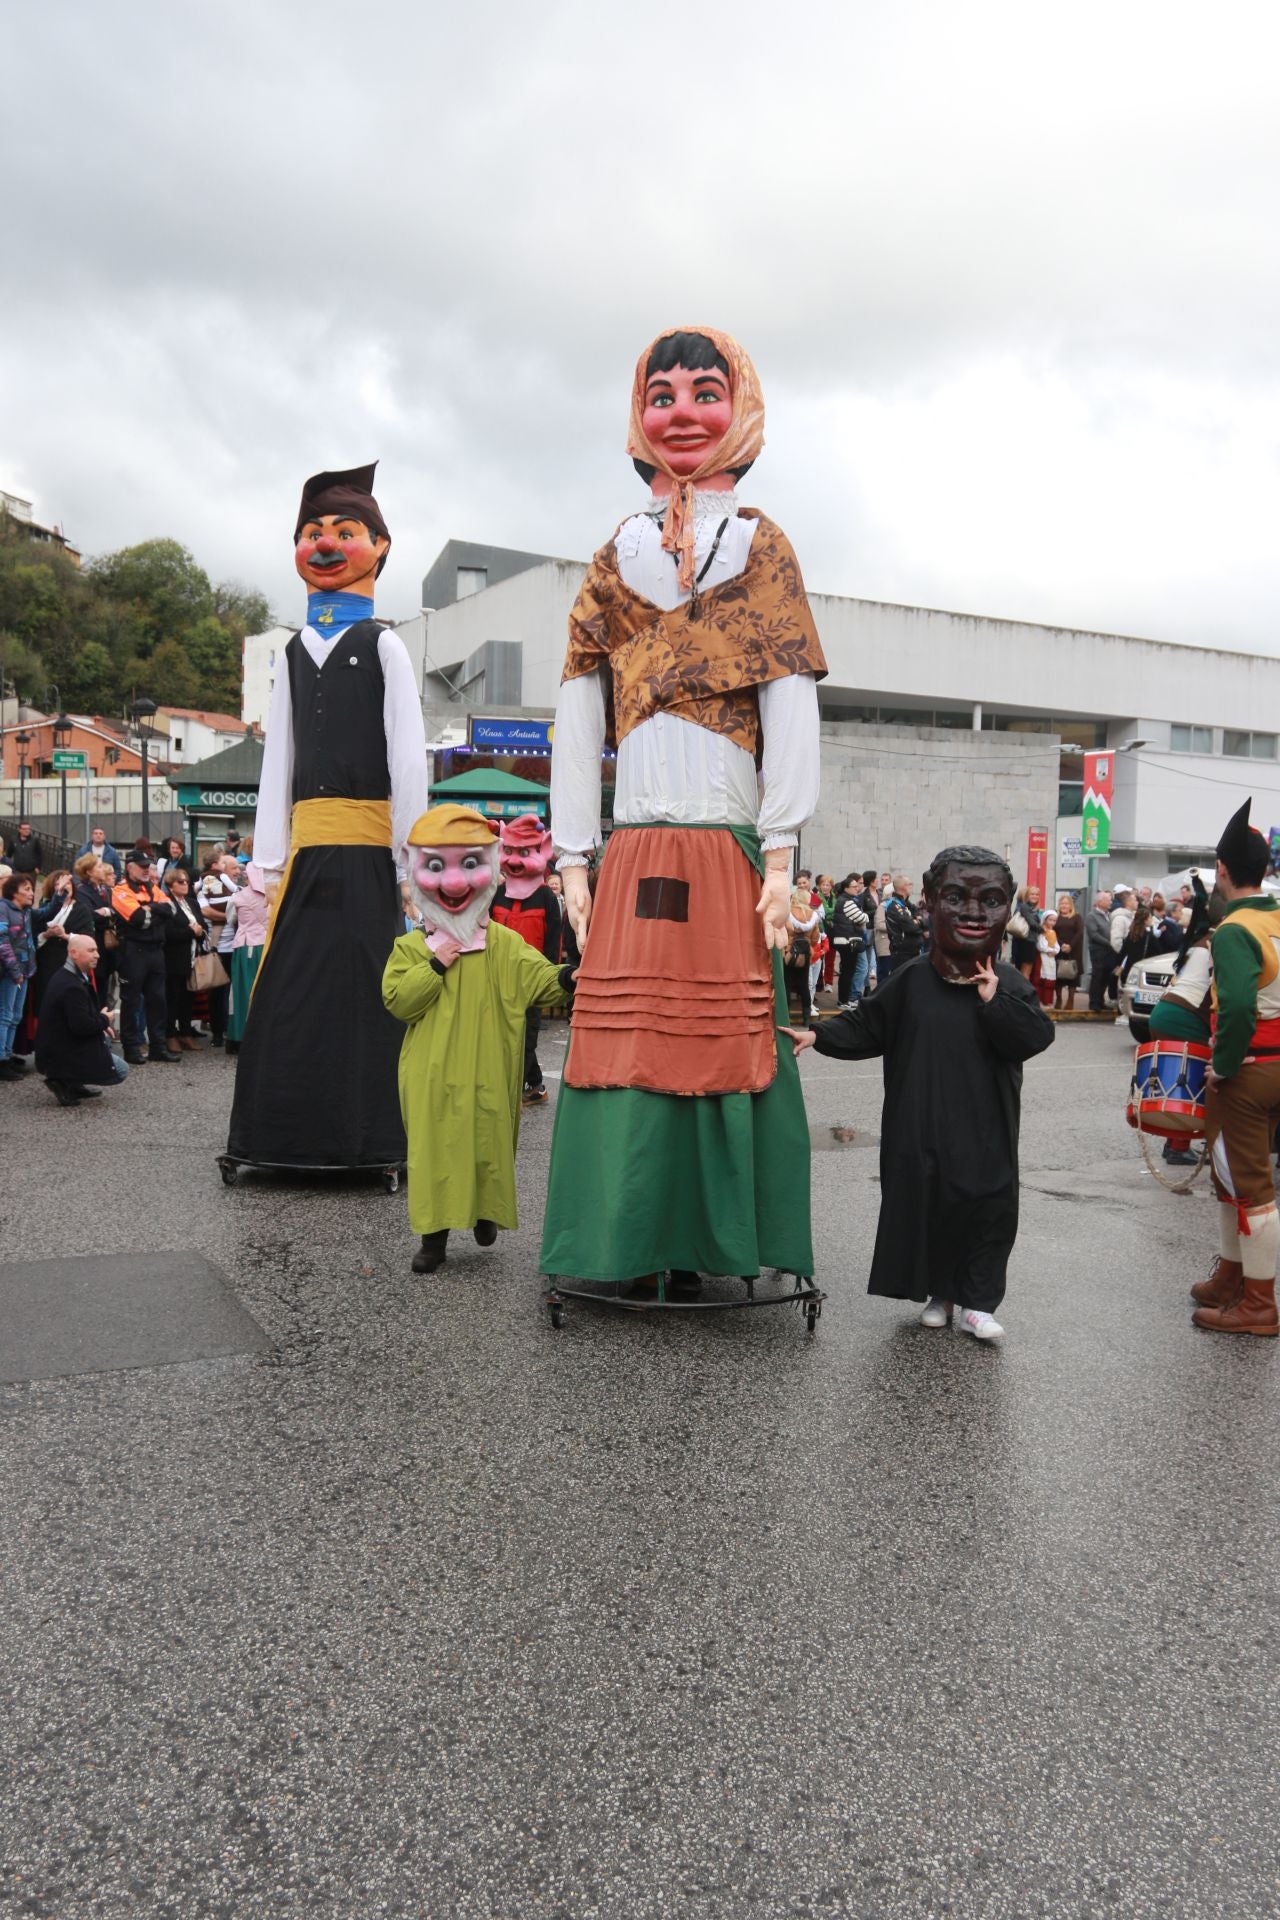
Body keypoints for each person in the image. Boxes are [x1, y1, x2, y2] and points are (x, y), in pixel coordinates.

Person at [542, 325, 826, 1295]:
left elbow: (790, 698)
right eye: (660, 395)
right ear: (639, 414)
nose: (681, 412)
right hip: (633, 846)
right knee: (623, 1038)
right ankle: (620, 1245)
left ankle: (706, 1246)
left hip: (726, 847)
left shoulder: (762, 544)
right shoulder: (612, 556)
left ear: (736, 406)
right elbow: (577, 707)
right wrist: (572, 853)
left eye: (703, 391)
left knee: (718, 1042)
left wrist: (780, 854)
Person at [227, 464, 428, 1174]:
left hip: (371, 858)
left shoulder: (385, 643)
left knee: (370, 996)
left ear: (380, 546)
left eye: (345, 533)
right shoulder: (289, 650)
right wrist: (267, 869)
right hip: (309, 857)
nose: (325, 545)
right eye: (311, 533)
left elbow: (409, 761)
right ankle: (277, 1138)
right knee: (289, 994)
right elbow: (276, 763)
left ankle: (370, 1142)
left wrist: (415, 864)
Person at [786, 845, 1054, 1340]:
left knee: (985, 1204)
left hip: (985, 1128)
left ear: (1008, 907)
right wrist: (817, 1035)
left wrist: (995, 1001)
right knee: (928, 1203)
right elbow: (868, 1025)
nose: (974, 913)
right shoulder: (912, 981)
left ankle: (977, 1301)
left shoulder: (1010, 983)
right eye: (956, 897)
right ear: (929, 902)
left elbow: (1036, 1037)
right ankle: (941, 1294)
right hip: (921, 1124)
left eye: (990, 900)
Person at [383, 806, 576, 1274]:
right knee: (435, 1151)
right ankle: (434, 1238)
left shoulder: (504, 945)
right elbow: (396, 1000)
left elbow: (544, 980)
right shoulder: (410, 948)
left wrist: (575, 976)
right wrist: (435, 963)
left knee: (488, 1143)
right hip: (432, 1074)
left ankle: (486, 1212)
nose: (453, 884)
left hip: (490, 1068)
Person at [1191, 801, 1280, 1336]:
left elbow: (1240, 1006)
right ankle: (1232, 1277)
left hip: (1248, 1072)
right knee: (1230, 1178)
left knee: (1250, 1187)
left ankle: (1260, 1304)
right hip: (1278, 1064)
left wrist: (1223, 1065)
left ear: (1223, 871)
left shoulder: (1232, 929)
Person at [489, 813, 560, 1105]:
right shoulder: (497, 894)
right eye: (510, 852)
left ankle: (520, 1087)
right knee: (499, 1035)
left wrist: (551, 979)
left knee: (525, 1036)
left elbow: (554, 942)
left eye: (524, 853)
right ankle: (534, 1084)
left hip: (529, 980)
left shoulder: (546, 898)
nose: (516, 861)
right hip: (496, 978)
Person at [1148, 873, 1215, 1168]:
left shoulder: (1200, 939)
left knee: (1181, 1078)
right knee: (1213, 1076)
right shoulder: (1222, 939)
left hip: (1166, 1010)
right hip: (1183, 1014)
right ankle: (1185, 1146)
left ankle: (1174, 1143)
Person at [35, 933, 128, 1106]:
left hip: (57, 1049)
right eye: (91, 950)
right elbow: (82, 1027)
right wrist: (104, 1020)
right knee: (121, 1070)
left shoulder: (67, 975)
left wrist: (100, 1022)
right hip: (58, 1054)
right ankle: (63, 1080)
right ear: (74, 953)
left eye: (97, 950)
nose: (97, 955)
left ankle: (73, 1082)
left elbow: (79, 1018)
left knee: (104, 1040)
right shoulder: (71, 985)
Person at [111, 848, 175, 1065]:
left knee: (158, 1000)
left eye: (149, 866)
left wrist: (151, 910)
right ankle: (131, 1048)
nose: (147, 870)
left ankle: (158, 1047)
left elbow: (171, 910)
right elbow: (139, 919)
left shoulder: (153, 888)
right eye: (143, 866)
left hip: (155, 950)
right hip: (132, 951)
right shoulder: (120, 890)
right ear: (130, 868)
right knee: (131, 1001)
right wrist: (156, 912)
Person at [161, 865, 209, 1052]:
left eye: (187, 881)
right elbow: (167, 932)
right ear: (171, 885)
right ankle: (170, 1035)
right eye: (180, 882)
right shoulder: (167, 904)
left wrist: (199, 932)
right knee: (172, 998)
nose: (185, 884)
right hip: (173, 959)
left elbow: (203, 925)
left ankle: (186, 1033)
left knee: (188, 999)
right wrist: (190, 931)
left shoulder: (192, 902)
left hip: (192, 958)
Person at [226, 861, 270, 1054]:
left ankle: (239, 1036)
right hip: (267, 947)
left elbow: (230, 920)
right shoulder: (273, 898)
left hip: (245, 948)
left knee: (241, 992)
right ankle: (262, 1036)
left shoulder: (237, 897)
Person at [0, 872, 38, 1078]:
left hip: (24, 969)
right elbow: (2, 941)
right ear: (14, 892)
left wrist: (60, 896)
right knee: (5, 1015)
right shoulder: (3, 908)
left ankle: (7, 1054)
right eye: (27, 889)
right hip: (10, 971)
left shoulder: (25, 911)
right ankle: (1, 1060)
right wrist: (15, 971)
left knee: (15, 1016)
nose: (31, 893)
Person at [784, 885, 822, 1029]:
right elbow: (816, 936)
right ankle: (806, 1017)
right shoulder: (812, 915)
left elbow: (783, 931)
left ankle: (785, 1016)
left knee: (786, 984)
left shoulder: (788, 913)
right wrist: (809, 943)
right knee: (804, 984)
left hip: (788, 951)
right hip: (805, 952)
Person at [832, 874, 870, 1009]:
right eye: (854, 886)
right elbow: (863, 917)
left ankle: (844, 1000)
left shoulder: (843, 900)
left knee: (847, 971)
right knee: (848, 972)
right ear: (846, 888)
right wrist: (864, 916)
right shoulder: (847, 902)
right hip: (848, 941)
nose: (857, 888)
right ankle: (843, 1001)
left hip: (845, 940)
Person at [1086, 889, 1117, 1010]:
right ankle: (1093, 1002)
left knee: (1106, 976)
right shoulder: (1092, 916)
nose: (1111, 903)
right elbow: (1093, 934)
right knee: (1097, 975)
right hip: (1098, 951)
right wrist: (1110, 943)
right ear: (1100, 902)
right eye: (1108, 900)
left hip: (1109, 951)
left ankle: (1100, 1000)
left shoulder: (1109, 915)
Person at [885, 875, 923, 971]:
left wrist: (918, 921)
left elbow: (923, 919)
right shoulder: (894, 905)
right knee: (901, 982)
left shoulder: (906, 903)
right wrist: (916, 922)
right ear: (904, 887)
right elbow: (911, 927)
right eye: (910, 884)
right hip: (902, 952)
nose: (912, 886)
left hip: (913, 950)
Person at [1053, 893, 1084, 1010]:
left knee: (1073, 977)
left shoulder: (1077, 917)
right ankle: (1059, 998)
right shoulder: (1055, 917)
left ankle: (1070, 1000)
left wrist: (1070, 945)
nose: (1064, 905)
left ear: (1070, 905)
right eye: (1062, 903)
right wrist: (1061, 945)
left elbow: (1080, 932)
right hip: (1059, 950)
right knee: (1058, 976)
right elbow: (1052, 932)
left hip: (1074, 950)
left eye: (1066, 903)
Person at [1009, 883, 1042, 980]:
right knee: (1025, 973)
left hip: (1026, 942)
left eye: (1037, 894)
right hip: (1026, 943)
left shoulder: (1031, 908)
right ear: (1027, 895)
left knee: (1023, 972)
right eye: (1032, 894)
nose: (1035, 896)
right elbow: (1032, 924)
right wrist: (1044, 930)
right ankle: (1023, 994)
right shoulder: (1025, 907)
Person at [1035, 910, 1059, 1007]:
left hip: (1050, 959)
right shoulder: (1042, 931)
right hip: (1043, 957)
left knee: (1050, 980)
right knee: (1041, 978)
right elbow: (1040, 945)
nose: (1052, 923)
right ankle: (1040, 1000)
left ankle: (1048, 1000)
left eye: (1054, 921)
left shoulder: (1053, 932)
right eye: (1050, 920)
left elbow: (1057, 945)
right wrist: (1049, 950)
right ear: (1045, 920)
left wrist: (1055, 951)